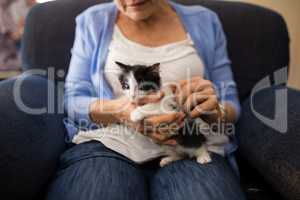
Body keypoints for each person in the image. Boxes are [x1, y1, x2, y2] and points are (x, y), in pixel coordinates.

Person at [46, 0, 246, 199]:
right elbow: (73, 99)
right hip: (111, 144)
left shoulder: (205, 20)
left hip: (187, 144)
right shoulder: (93, 21)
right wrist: (120, 112)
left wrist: (213, 111)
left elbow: (231, 103)